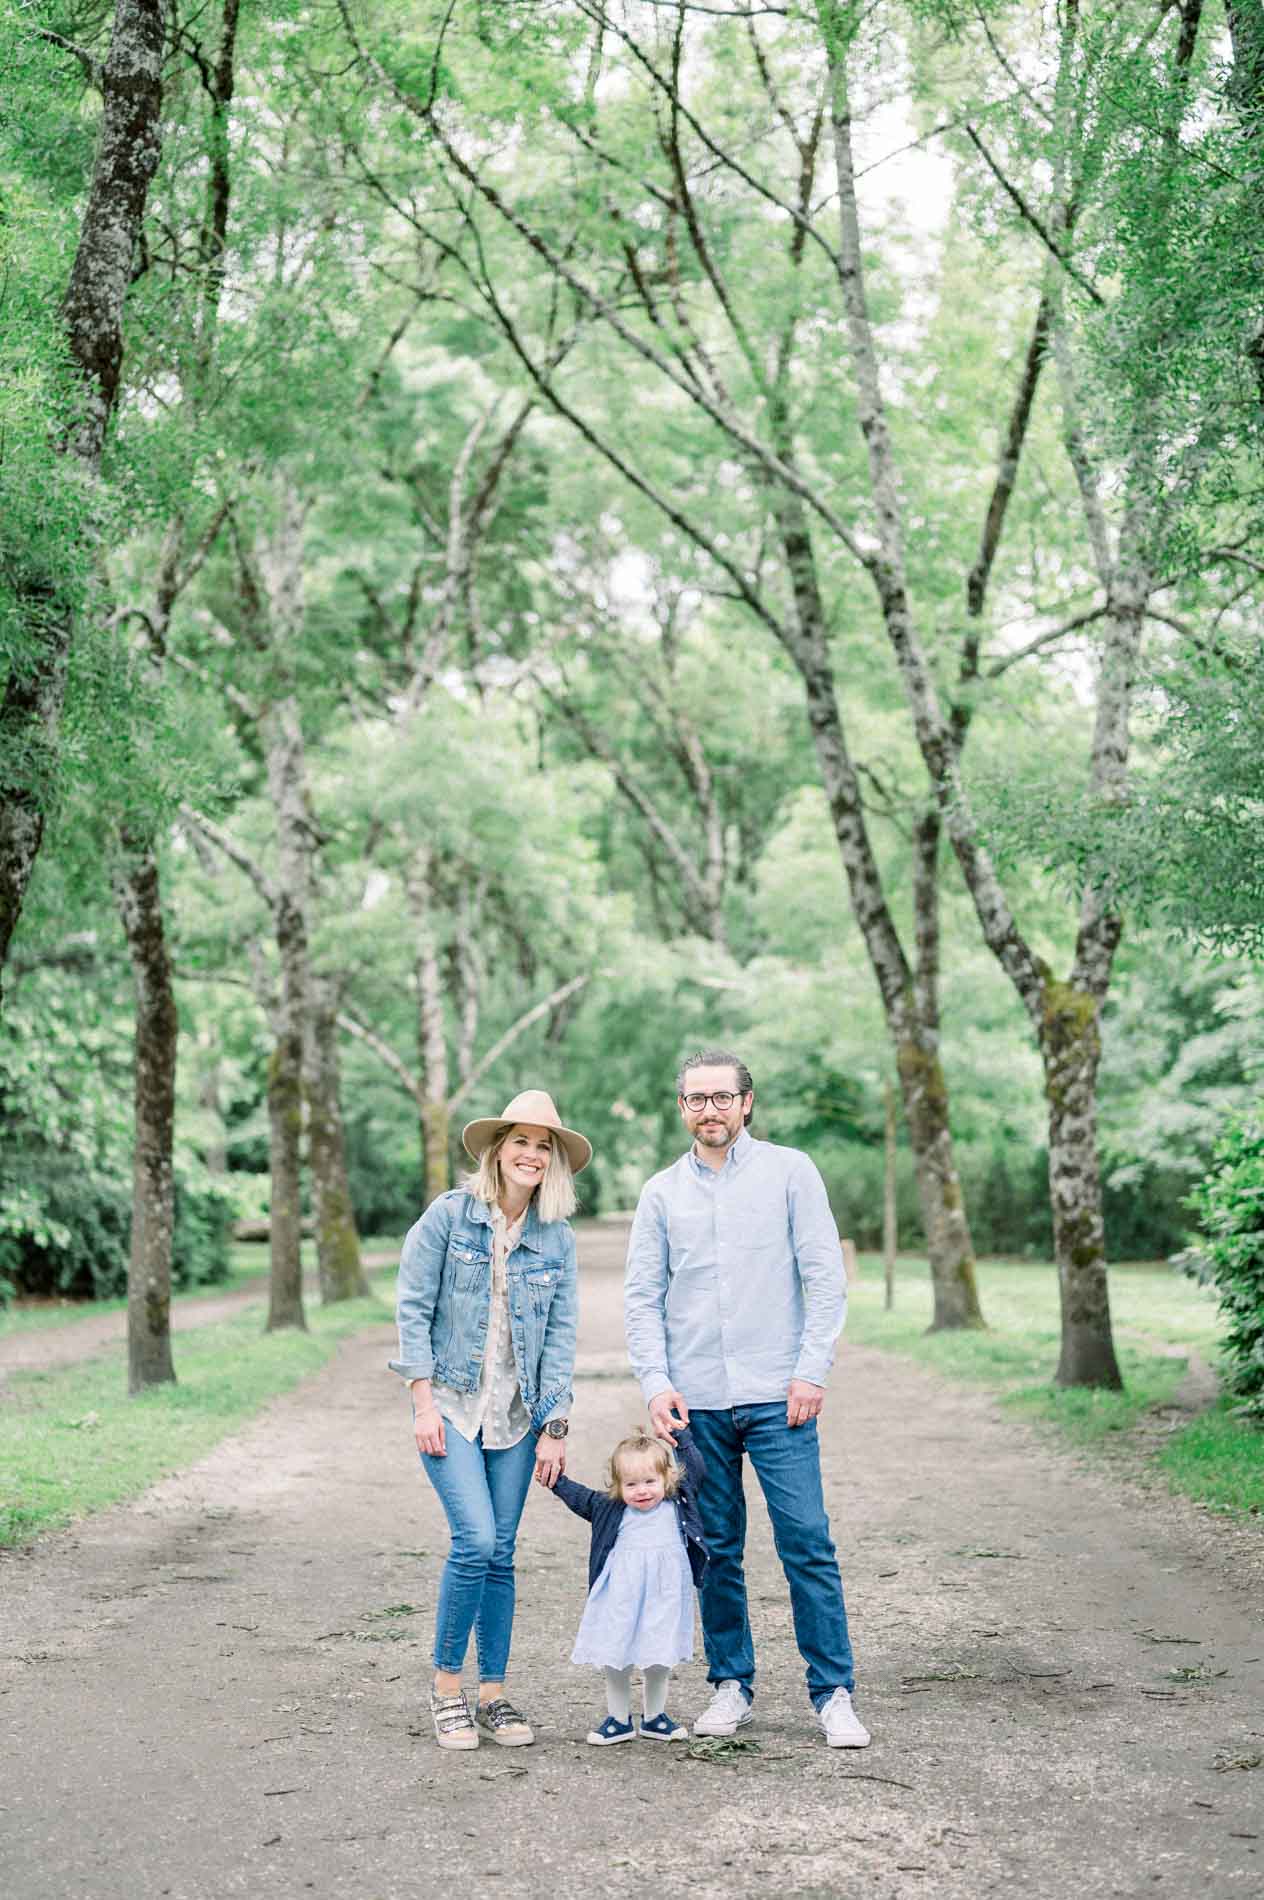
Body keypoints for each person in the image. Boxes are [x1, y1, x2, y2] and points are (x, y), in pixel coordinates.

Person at [623, 1048, 870, 1749]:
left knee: (807, 1542)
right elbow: (642, 1297)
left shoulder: (791, 1173)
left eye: (722, 1098)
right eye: (696, 1099)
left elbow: (824, 1278)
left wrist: (811, 1369)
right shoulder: (660, 1194)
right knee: (717, 1548)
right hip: (695, 1400)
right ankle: (731, 1684)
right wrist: (655, 1380)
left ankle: (833, 1693)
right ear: (682, 1108)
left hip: (778, 1395)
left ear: (747, 1102)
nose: (710, 1110)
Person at [390, 1088, 590, 1751]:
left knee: (502, 1555)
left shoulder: (556, 1239)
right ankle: (447, 1687)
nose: (531, 1154)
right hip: (448, 1406)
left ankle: (493, 1694)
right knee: (474, 1540)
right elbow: (413, 1306)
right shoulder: (449, 1217)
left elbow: (561, 1338)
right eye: (520, 1142)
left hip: (518, 1417)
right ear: (498, 1150)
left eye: (543, 1146)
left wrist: (555, 1428)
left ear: (552, 1161)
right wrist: (421, 1403)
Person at [548, 1425, 708, 1745]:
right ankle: (618, 1719)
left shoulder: (678, 1502)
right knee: (616, 1652)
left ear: (668, 1479)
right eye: (631, 1484)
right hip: (621, 1595)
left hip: (664, 1595)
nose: (642, 1490)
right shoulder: (609, 1508)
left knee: (659, 1653)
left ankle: (655, 1717)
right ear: (618, 1486)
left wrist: (683, 1437)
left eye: (650, 1481)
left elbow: (698, 1468)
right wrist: (555, 1480)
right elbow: (579, 1497)